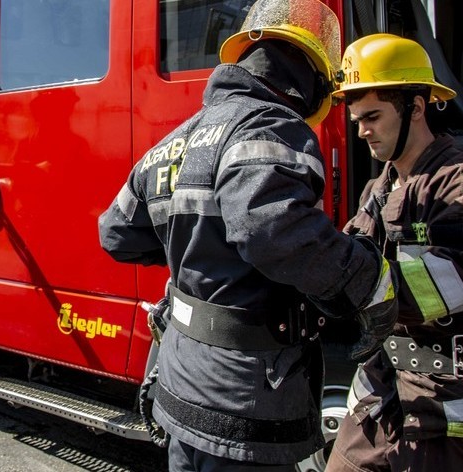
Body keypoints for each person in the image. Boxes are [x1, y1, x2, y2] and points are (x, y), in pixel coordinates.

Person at [98, 1, 398, 470]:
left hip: (180, 392)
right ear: (314, 79)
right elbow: (273, 231)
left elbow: (117, 234)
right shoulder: (274, 125)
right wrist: (368, 280)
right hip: (244, 405)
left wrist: (197, 248)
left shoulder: (174, 142)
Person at [325, 33, 463, 471]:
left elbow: (441, 290)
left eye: (373, 117)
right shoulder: (378, 190)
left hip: (454, 408)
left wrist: (343, 272)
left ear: (416, 108)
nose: (362, 131)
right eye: (357, 118)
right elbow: (347, 271)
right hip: (382, 396)